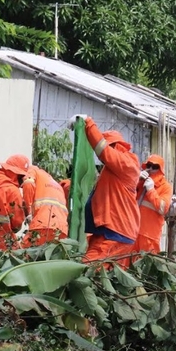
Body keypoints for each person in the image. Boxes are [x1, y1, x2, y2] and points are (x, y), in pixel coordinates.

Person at [68, 114, 141, 268]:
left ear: (115, 146)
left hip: (115, 234)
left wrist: (88, 122)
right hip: (109, 233)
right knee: (101, 278)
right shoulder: (112, 171)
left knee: (86, 272)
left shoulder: (126, 163)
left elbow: (103, 150)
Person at [20, 165, 69, 247]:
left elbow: (28, 184)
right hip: (61, 230)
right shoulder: (55, 184)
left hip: (43, 224)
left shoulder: (33, 170)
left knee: (24, 254)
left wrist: (28, 211)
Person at [134, 154, 172, 254]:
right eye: (148, 166)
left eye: (154, 167)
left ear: (160, 169)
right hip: (132, 233)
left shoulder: (165, 187)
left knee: (147, 266)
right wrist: (135, 179)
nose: (150, 169)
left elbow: (163, 208)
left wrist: (151, 190)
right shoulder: (139, 183)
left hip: (149, 235)